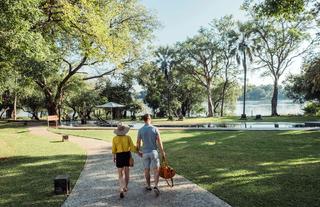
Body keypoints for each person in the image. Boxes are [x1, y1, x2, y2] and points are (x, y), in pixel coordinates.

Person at [137, 114, 166, 197]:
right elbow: (159, 142)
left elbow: (138, 142)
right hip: (153, 152)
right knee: (156, 170)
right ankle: (156, 186)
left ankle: (149, 186)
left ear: (144, 120)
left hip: (145, 153)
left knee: (146, 170)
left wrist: (138, 151)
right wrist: (162, 152)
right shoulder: (155, 129)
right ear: (150, 119)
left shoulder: (140, 130)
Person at [112, 123, 137, 198]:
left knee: (120, 173)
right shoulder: (128, 137)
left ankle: (121, 189)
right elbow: (132, 148)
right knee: (127, 172)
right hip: (127, 155)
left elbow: (114, 150)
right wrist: (139, 152)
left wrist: (114, 157)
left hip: (119, 156)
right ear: (124, 130)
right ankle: (125, 187)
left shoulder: (114, 138)